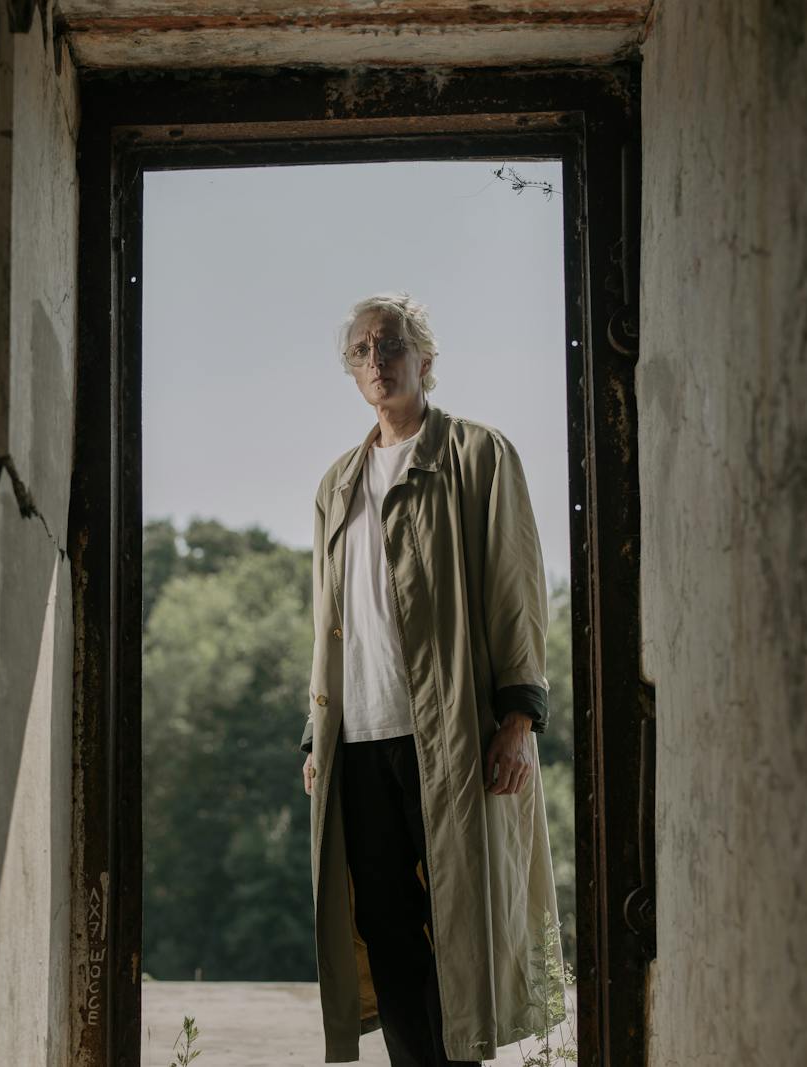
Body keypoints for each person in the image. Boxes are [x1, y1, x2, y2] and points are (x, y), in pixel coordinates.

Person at [298, 293, 561, 1065]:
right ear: (352, 372)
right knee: (384, 928)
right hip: (361, 737)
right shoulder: (335, 484)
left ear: (426, 359)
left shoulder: (478, 454)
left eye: (391, 345)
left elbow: (516, 586)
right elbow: (326, 618)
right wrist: (319, 732)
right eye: (362, 352)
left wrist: (518, 714)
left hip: (450, 737)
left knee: (461, 923)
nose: (377, 361)